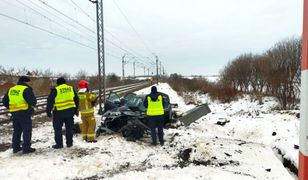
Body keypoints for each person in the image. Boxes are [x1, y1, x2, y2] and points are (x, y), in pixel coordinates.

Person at [2, 76, 37, 154]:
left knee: (17, 131)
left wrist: (11, 107)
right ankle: (26, 148)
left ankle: (16, 147)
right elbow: (33, 102)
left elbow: (4, 101)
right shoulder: (26, 89)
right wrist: (30, 109)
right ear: (26, 82)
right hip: (24, 113)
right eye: (29, 82)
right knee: (26, 130)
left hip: (14, 113)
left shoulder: (11, 89)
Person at [46, 77, 79, 149]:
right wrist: (76, 109)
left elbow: (50, 102)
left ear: (57, 83)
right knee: (69, 128)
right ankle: (69, 143)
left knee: (58, 129)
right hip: (70, 112)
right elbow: (76, 99)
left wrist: (48, 112)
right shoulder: (70, 88)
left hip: (58, 113)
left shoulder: (55, 90)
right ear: (65, 82)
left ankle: (59, 144)